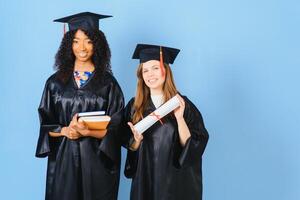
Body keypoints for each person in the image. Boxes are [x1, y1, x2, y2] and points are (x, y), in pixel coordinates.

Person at [35, 12, 124, 200]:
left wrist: (87, 132)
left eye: (88, 41)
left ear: (97, 44)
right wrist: (65, 131)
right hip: (63, 162)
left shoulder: (108, 84)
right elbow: (45, 124)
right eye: (76, 41)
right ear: (68, 44)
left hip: (97, 165)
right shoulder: (55, 82)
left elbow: (117, 129)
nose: (82, 48)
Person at [122, 44, 209, 200]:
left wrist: (180, 118)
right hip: (145, 180)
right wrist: (135, 141)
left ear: (166, 70)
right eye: (145, 70)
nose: (150, 74)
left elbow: (192, 146)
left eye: (155, 68)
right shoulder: (134, 107)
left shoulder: (182, 104)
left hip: (174, 183)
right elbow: (130, 147)